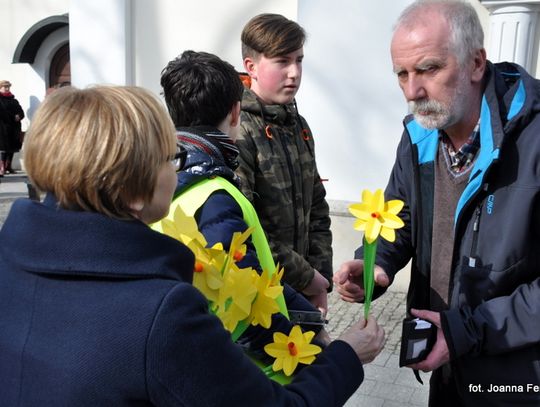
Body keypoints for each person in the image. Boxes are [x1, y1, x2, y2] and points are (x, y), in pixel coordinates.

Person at [0, 85, 385, 406]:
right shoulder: (161, 312)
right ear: (132, 192)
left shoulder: (11, 263)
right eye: (171, 158)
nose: (179, 168)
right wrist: (347, 355)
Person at [333, 1, 540, 406]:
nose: (413, 91)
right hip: (444, 363)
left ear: (476, 62)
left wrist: (467, 331)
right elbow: (402, 215)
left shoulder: (532, 141)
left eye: (428, 68)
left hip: (517, 378)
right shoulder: (419, 134)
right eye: (402, 74)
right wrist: (377, 264)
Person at [157, 50, 332, 351]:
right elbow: (245, 303)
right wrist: (309, 350)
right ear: (235, 112)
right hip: (247, 365)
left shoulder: (157, 178)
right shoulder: (215, 194)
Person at [236, 13, 332, 316]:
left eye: (299, 60)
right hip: (259, 295)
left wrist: (320, 276)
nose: (294, 73)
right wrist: (307, 278)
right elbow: (246, 227)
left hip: (302, 290)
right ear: (251, 67)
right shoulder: (240, 128)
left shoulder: (298, 125)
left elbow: (317, 206)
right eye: (282, 61)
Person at [0, 80, 24, 176]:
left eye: (8, 87)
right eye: (5, 87)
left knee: (12, 148)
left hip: (14, 127)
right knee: (3, 148)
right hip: (2, 127)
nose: (7, 88)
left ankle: (8, 166)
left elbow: (21, 111)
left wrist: (19, 116)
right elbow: (1, 113)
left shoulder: (14, 100)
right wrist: (12, 117)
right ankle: (2, 167)